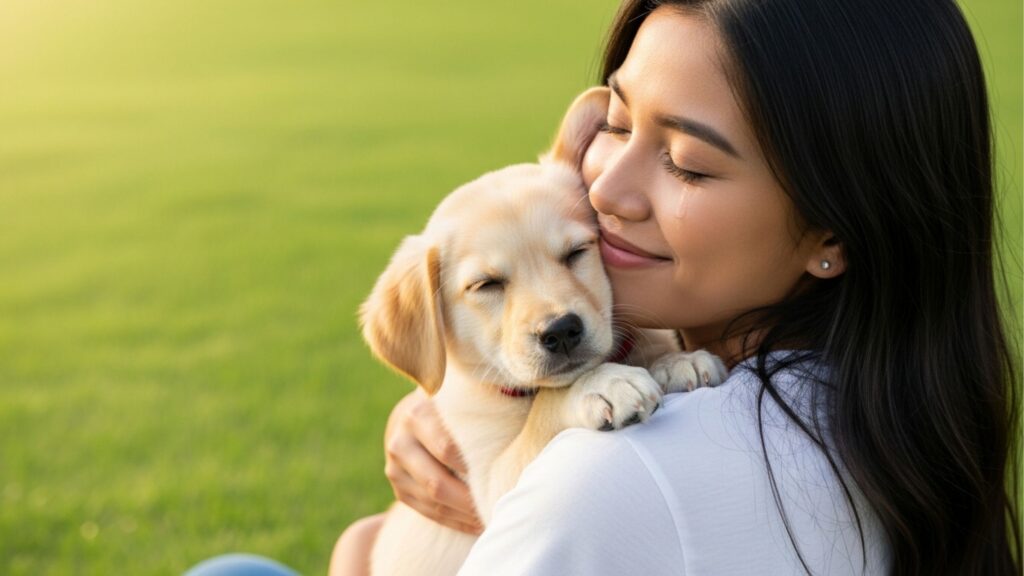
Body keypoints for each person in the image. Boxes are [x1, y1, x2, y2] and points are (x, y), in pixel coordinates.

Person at [331, 0, 1020, 574]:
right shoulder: (894, 406)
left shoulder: (613, 474)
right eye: (619, 124)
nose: (601, 188)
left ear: (831, 236)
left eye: (688, 164)